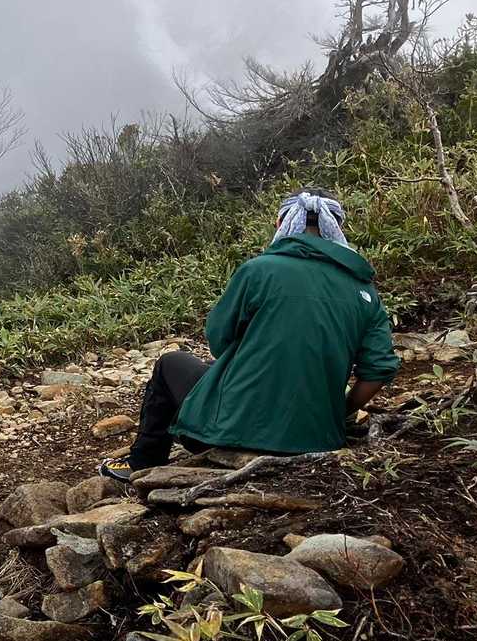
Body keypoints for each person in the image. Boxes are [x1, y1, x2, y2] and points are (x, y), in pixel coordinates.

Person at [100, 188, 400, 483]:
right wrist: (339, 412)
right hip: (321, 438)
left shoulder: (259, 271)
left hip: (231, 432)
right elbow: (379, 370)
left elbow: (219, 341)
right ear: (336, 228)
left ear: (281, 223)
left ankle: (142, 462)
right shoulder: (363, 289)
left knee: (171, 363)